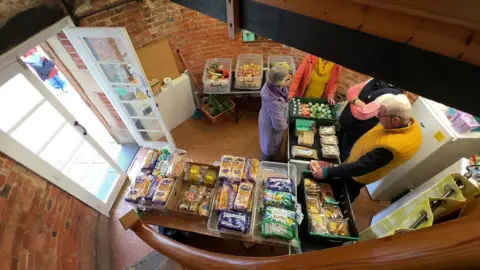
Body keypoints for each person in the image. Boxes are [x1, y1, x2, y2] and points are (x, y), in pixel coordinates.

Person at [313, 94, 422, 201]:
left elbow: (360, 167)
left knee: (347, 190)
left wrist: (328, 172)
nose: (377, 116)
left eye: (380, 114)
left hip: (359, 174)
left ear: (396, 120)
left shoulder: (392, 147)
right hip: (356, 162)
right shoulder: (407, 123)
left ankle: (342, 201)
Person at [338, 79, 402, 161]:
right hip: (346, 122)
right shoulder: (375, 79)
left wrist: (352, 100)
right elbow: (351, 91)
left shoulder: (390, 96)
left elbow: (362, 113)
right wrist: (357, 102)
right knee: (338, 142)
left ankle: (339, 168)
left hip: (356, 130)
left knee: (346, 152)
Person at [259, 66, 291, 161]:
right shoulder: (274, 102)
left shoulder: (272, 84)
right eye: (287, 79)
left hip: (266, 115)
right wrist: (287, 126)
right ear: (279, 82)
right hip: (271, 126)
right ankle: (264, 164)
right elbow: (279, 125)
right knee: (269, 149)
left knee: (269, 143)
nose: (289, 79)